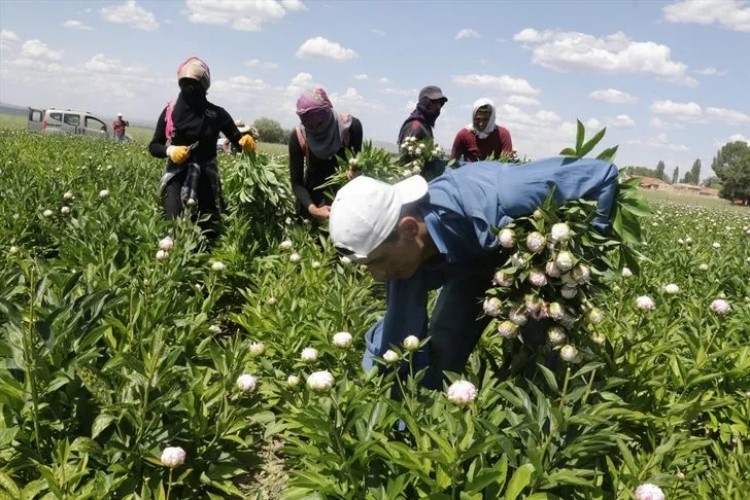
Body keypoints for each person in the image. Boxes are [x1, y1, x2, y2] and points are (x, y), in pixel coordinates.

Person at [328, 157, 619, 389]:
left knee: (540, 356)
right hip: (470, 266)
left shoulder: (508, 192)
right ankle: (420, 424)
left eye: (377, 262)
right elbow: (396, 339)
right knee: (442, 348)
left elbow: (602, 175)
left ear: (407, 229)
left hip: (522, 263)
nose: (377, 276)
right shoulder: (403, 260)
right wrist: (372, 391)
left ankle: (540, 430)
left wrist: (578, 264)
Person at [148, 56, 256, 231]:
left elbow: (238, 141)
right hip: (177, 176)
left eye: (194, 85)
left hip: (207, 180)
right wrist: (170, 151)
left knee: (210, 233)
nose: (189, 89)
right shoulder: (170, 111)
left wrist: (247, 143)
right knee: (173, 228)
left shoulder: (216, 113)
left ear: (204, 87)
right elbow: (154, 146)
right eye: (185, 84)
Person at [289, 87, 363, 223]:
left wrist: (354, 172)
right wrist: (313, 209)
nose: (315, 129)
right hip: (312, 203)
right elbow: (296, 183)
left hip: (344, 203)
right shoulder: (299, 136)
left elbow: (358, 164)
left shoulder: (351, 128)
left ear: (328, 112)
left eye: (319, 123)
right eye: (309, 125)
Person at [450, 98, 513, 163]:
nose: (481, 124)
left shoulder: (503, 135)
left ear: (491, 119)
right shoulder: (463, 135)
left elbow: (506, 164)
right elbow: (452, 164)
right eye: (478, 119)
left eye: (485, 120)